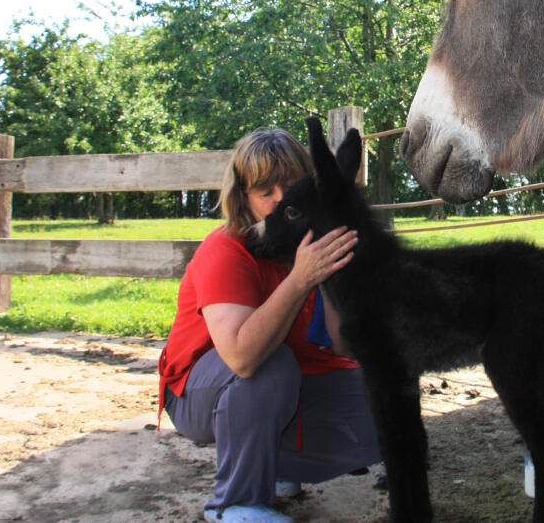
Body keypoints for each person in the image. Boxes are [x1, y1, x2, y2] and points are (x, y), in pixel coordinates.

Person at [158, 128, 382, 523]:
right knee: (269, 367)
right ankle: (234, 504)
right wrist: (300, 278)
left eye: (291, 186)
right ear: (243, 198)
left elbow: (345, 345)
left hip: (293, 376)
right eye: (265, 192)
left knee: (385, 399)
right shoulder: (225, 249)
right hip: (201, 389)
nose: (281, 199)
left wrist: (330, 273)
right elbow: (242, 358)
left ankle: (277, 468)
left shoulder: (315, 238)